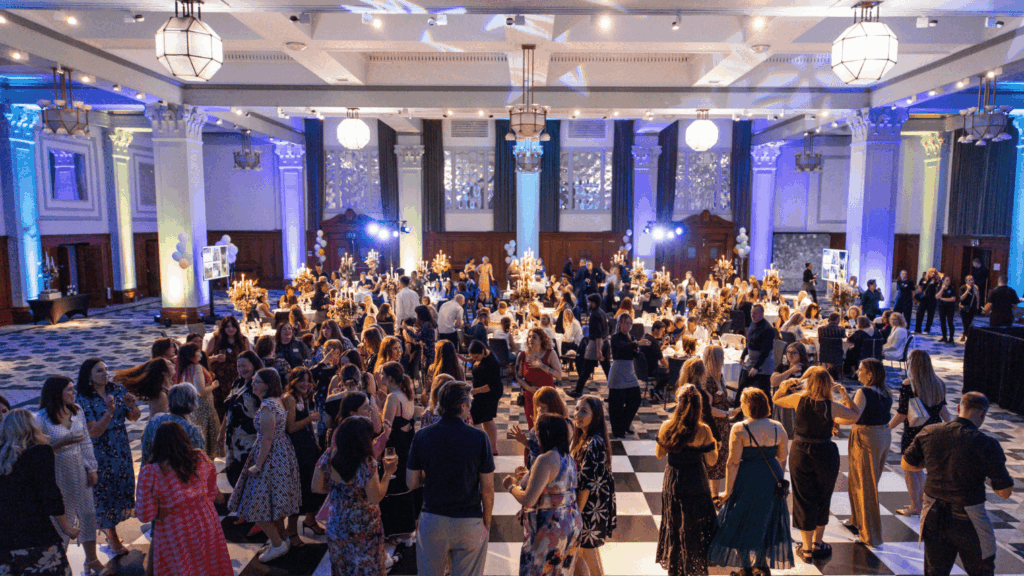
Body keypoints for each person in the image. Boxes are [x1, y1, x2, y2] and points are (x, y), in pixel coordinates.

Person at [902, 392, 1013, 576]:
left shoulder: (930, 432)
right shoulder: (987, 444)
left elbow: (907, 464)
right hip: (969, 518)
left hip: (933, 514)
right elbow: (1005, 492)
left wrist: (931, 464)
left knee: (935, 571)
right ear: (983, 414)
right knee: (981, 571)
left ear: (959, 408)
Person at [407, 382, 495, 576]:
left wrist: (431, 474)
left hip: (433, 519)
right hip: (469, 520)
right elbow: (487, 488)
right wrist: (486, 523)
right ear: (462, 406)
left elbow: (411, 482)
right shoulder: (479, 437)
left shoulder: (422, 436)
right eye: (469, 403)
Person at [772, 367, 859, 561]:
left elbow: (776, 399)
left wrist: (783, 387)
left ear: (809, 382)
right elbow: (855, 416)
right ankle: (818, 543)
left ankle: (806, 549)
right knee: (823, 497)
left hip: (801, 451)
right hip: (826, 453)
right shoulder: (832, 405)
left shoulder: (799, 399)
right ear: (828, 384)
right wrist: (845, 394)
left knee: (803, 498)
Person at [707, 388, 793, 573]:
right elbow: (782, 456)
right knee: (766, 520)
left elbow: (732, 463)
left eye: (743, 402)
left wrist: (728, 492)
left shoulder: (740, 428)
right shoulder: (778, 427)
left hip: (748, 478)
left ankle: (745, 566)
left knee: (742, 519)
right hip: (772, 478)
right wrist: (779, 480)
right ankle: (761, 564)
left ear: (749, 406)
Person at [136, 421, 233, 576]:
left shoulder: (151, 472)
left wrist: (160, 507)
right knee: (209, 562)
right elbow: (211, 491)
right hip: (205, 518)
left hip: (173, 525)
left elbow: (144, 514)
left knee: (181, 567)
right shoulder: (200, 457)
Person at [227, 368, 302, 563]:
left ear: (267, 385)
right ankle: (281, 539)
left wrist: (258, 465)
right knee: (273, 501)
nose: (253, 385)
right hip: (279, 454)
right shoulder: (273, 402)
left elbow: (268, 438)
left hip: (270, 457)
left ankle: (278, 544)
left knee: (254, 504)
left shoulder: (268, 406)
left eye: (257, 382)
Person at [0, 409, 80, 576]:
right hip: (36, 534)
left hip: (5, 539)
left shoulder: (3, 457)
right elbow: (50, 494)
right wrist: (66, 528)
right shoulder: (39, 452)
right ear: (32, 427)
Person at [36, 376, 102, 575]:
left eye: (73, 389)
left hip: (79, 467)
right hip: (58, 470)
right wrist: (60, 443)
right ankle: (60, 564)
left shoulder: (77, 411)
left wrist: (91, 468)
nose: (74, 393)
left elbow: (86, 442)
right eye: (69, 390)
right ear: (57, 393)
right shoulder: (41, 418)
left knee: (88, 513)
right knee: (63, 518)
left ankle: (91, 559)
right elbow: (37, 451)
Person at [503, 414, 582, 576]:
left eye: (537, 430)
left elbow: (529, 500)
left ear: (546, 433)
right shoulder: (568, 458)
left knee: (537, 571)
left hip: (548, 530)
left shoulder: (545, 460)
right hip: (570, 525)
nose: (534, 434)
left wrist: (510, 486)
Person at [76, 358, 140, 558]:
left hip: (120, 446)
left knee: (121, 485)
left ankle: (112, 527)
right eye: (99, 371)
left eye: (106, 369)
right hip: (99, 450)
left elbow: (133, 417)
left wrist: (132, 406)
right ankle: (111, 535)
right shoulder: (84, 398)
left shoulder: (117, 389)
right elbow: (94, 432)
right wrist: (109, 413)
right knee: (104, 490)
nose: (105, 374)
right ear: (89, 376)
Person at [317, 416, 396, 576]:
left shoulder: (329, 455)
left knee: (343, 568)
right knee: (368, 569)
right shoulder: (367, 463)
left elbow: (316, 486)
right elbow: (375, 497)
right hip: (364, 528)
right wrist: (387, 474)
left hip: (337, 524)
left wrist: (340, 491)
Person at [655, 384, 718, 576]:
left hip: (674, 479)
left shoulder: (667, 426)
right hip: (696, 480)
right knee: (695, 524)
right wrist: (714, 445)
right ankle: (693, 564)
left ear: (678, 403)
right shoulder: (704, 430)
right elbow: (712, 461)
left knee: (674, 522)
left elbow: (659, 455)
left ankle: (676, 566)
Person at [833, 359, 892, 547]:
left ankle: (871, 535)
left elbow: (852, 417)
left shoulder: (864, 392)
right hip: (882, 435)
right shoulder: (886, 391)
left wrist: (832, 418)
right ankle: (856, 520)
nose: (857, 372)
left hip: (866, 436)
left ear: (870, 374)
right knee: (861, 481)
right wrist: (845, 396)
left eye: (860, 370)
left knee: (865, 485)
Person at [890, 350, 950, 516]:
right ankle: (925, 503)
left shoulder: (909, 384)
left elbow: (902, 413)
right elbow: (943, 410)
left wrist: (887, 428)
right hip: (934, 431)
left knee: (910, 469)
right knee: (921, 469)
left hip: (914, 433)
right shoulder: (938, 383)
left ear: (912, 363)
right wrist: (950, 427)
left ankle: (914, 505)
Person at [571, 395, 616, 576]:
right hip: (592, 508)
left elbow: (586, 486)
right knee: (585, 556)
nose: (577, 414)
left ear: (595, 416)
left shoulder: (593, 443)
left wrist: (577, 515)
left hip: (589, 510)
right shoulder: (586, 438)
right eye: (577, 409)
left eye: (583, 411)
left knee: (584, 556)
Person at [282, 368, 326, 546]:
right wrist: (311, 418)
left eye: (308, 380)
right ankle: (291, 530)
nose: (305, 384)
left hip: (308, 446)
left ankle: (310, 519)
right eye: (301, 380)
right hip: (296, 448)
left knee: (312, 485)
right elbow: (291, 427)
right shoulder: (289, 398)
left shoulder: (304, 397)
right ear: (293, 380)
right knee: (298, 488)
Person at [377, 362, 421, 539]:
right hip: (406, 444)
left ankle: (395, 530)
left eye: (381, 374)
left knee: (393, 485)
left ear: (389, 378)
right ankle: (407, 526)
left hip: (394, 447)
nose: (378, 377)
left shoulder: (393, 398)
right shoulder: (406, 395)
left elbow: (385, 427)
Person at [222, 353, 264, 486]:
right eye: (238, 366)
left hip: (251, 440)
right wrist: (221, 433)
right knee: (233, 474)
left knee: (246, 480)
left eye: (244, 366)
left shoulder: (260, 384)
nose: (241, 369)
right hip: (233, 438)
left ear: (254, 364)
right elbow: (229, 410)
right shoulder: (238, 382)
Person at [176, 343, 222, 459]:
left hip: (193, 406)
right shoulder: (196, 367)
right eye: (197, 351)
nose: (200, 353)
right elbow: (201, 390)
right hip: (203, 406)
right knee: (207, 436)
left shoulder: (184, 368)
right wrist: (213, 385)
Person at [141, 383, 205, 464]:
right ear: (192, 402)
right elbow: (199, 461)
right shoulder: (192, 430)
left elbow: (145, 452)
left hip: (154, 473)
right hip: (180, 474)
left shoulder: (156, 419)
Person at [205, 315, 252, 419]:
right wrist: (215, 358)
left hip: (237, 378)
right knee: (219, 409)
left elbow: (249, 359)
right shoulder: (216, 339)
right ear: (223, 328)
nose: (231, 329)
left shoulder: (243, 340)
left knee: (236, 407)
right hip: (219, 380)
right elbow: (204, 358)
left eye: (233, 326)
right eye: (227, 327)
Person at [607, 312, 645, 438]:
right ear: (620, 323)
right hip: (618, 371)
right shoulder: (615, 337)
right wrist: (636, 345)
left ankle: (624, 424)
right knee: (616, 403)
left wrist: (636, 348)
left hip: (629, 370)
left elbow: (636, 355)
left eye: (630, 323)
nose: (628, 326)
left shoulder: (631, 337)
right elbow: (621, 348)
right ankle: (618, 430)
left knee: (635, 399)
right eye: (626, 323)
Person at [518, 327, 563, 430]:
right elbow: (518, 377)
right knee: (532, 426)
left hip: (548, 397)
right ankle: (533, 446)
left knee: (548, 426)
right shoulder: (523, 355)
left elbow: (559, 375)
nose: (530, 339)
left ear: (541, 339)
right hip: (530, 397)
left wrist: (542, 366)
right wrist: (528, 388)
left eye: (534, 337)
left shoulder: (550, 353)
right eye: (529, 337)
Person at [735, 304, 775, 407]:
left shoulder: (767, 329)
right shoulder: (752, 323)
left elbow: (765, 351)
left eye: (755, 313)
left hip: (763, 362)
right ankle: (737, 412)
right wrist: (743, 356)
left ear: (762, 314)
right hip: (752, 360)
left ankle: (769, 414)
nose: (753, 315)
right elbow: (749, 343)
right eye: (751, 313)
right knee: (742, 386)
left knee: (764, 391)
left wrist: (756, 367)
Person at [573, 294, 610, 398]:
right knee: (607, 370)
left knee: (586, 369)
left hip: (596, 344)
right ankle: (614, 393)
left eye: (590, 302)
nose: (588, 304)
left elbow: (597, 334)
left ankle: (577, 391)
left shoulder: (594, 315)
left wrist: (598, 351)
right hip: (605, 342)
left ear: (594, 303)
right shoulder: (601, 312)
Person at [468, 340, 503, 454]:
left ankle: (487, 446)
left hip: (490, 393)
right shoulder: (483, 356)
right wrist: (465, 359)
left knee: (480, 418)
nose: (475, 359)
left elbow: (492, 385)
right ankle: (490, 447)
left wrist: (475, 391)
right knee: (485, 419)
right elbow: (475, 361)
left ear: (483, 351)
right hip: (481, 393)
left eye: (476, 356)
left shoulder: (492, 362)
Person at [769, 342, 809, 438]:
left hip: (798, 406)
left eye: (794, 353)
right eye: (788, 352)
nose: (790, 355)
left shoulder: (806, 369)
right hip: (782, 405)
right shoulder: (782, 367)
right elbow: (774, 382)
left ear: (801, 354)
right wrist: (790, 371)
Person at [915, 268, 941, 334]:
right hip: (923, 299)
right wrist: (921, 292)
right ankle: (917, 329)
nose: (933, 273)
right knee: (919, 314)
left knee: (930, 315)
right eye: (931, 272)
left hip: (932, 299)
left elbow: (938, 288)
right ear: (928, 272)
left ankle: (927, 329)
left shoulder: (937, 281)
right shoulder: (923, 279)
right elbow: (919, 286)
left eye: (934, 272)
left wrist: (938, 280)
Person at [959, 275, 982, 341]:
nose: (971, 281)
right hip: (964, 307)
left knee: (969, 322)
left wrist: (978, 305)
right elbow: (961, 298)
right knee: (965, 322)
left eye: (972, 279)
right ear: (966, 281)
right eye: (969, 280)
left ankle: (965, 334)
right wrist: (967, 290)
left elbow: (977, 297)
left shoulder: (975, 287)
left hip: (972, 307)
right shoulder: (963, 287)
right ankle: (967, 335)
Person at [936, 276, 958, 344]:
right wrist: (942, 289)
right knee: (943, 322)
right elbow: (937, 296)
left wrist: (943, 299)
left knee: (950, 322)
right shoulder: (940, 287)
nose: (948, 282)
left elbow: (953, 299)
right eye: (947, 280)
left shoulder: (952, 288)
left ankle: (951, 338)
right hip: (941, 307)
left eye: (949, 280)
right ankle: (944, 337)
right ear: (943, 281)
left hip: (950, 307)